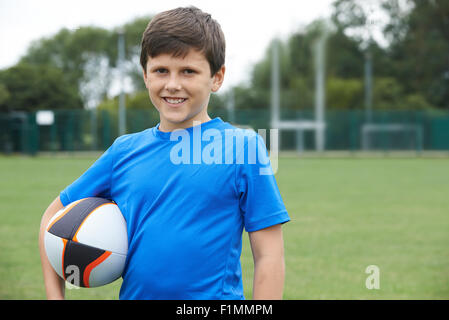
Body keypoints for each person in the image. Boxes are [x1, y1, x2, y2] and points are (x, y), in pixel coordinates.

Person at [39, 6, 290, 300]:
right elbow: (52, 218)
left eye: (188, 71)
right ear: (145, 75)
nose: (173, 84)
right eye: (161, 71)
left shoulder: (243, 148)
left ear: (217, 77)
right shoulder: (124, 151)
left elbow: (269, 255)